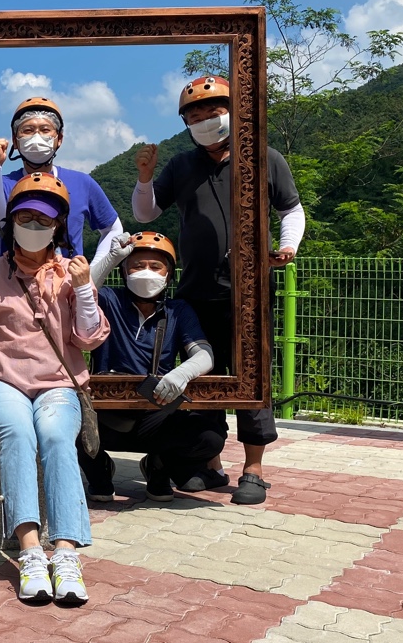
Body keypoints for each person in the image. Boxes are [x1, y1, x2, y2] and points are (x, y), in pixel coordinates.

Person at [132, 74, 307, 505]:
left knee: (253, 375)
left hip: (251, 293)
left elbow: (291, 209)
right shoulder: (181, 165)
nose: (206, 122)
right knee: (201, 378)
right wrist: (145, 177)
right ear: (186, 124)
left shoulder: (264, 158)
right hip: (196, 292)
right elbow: (146, 213)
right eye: (195, 117)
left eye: (214, 113)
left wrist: (288, 246)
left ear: (235, 112)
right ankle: (208, 461)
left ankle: (254, 469)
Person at [0, 172, 108, 605]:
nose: (33, 227)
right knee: (18, 433)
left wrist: (84, 289)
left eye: (44, 220)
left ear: (58, 227)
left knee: (55, 436)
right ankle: (30, 550)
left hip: (57, 383)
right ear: (11, 223)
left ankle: (66, 553)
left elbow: (89, 338)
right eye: (25, 218)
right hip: (0, 380)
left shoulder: (70, 273)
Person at [78, 231, 224, 503]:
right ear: (124, 272)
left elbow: (204, 354)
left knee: (209, 437)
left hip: (155, 411)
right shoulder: (108, 300)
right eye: (137, 266)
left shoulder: (178, 310)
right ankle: (99, 472)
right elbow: (80, 291)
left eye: (156, 267)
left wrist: (181, 373)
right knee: (66, 420)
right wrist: (111, 258)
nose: (147, 272)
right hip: (104, 413)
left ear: (169, 275)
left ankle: (158, 467)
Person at [0, 97, 122, 265]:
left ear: (59, 139)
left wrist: (94, 271)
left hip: (68, 279)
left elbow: (113, 229)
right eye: (28, 130)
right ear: (15, 141)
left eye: (45, 130)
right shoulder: (2, 184)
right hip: (10, 278)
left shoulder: (82, 183)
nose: (36, 136)